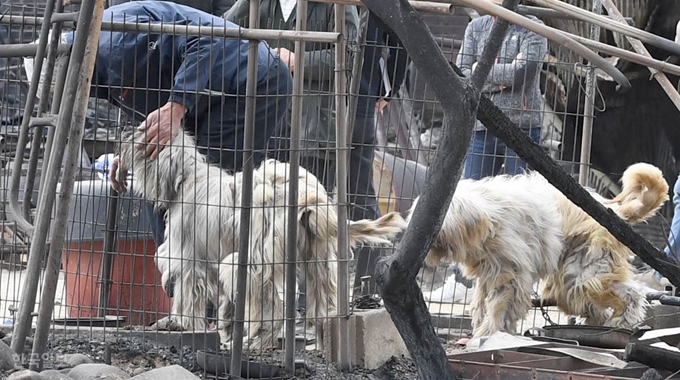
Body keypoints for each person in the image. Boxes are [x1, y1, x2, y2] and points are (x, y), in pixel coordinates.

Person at [68, 1, 292, 305]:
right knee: (157, 190)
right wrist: (135, 149)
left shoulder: (116, 40)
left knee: (205, 199)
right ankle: (184, 303)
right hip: (204, 97)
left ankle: (208, 312)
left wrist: (175, 107)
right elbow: (143, 94)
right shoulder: (93, 65)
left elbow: (205, 37)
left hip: (250, 83)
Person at [225, 1, 379, 307]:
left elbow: (349, 55)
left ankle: (343, 297)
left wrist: (296, 60)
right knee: (273, 220)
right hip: (269, 122)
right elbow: (225, 28)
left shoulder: (335, 5)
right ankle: (281, 304)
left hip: (316, 127)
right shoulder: (260, 3)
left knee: (312, 219)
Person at [456, 0, 548, 180]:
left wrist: (478, 69)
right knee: (476, 193)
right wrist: (504, 77)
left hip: (522, 126)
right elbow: (462, 74)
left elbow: (521, 73)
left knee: (522, 195)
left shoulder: (533, 27)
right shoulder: (475, 28)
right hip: (482, 124)